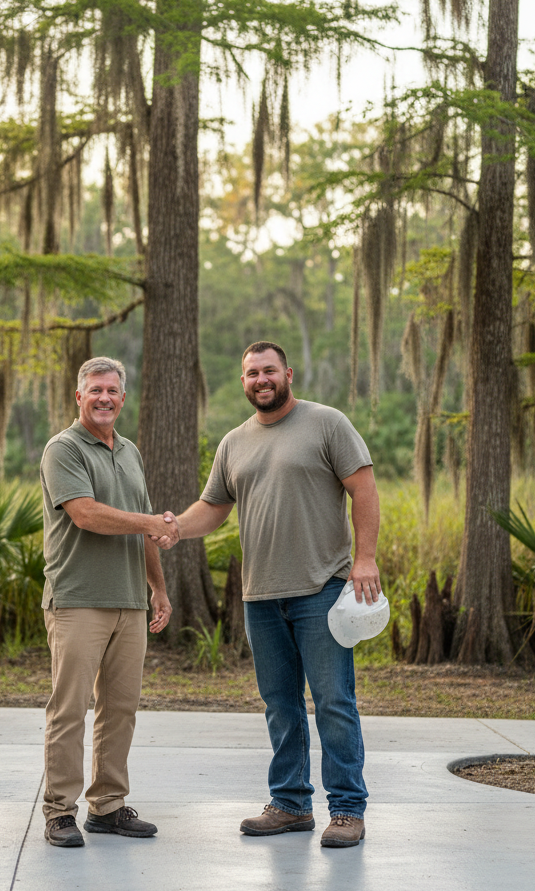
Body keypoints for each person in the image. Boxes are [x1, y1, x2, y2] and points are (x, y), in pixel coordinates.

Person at [154, 342, 380, 848]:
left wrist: (364, 559)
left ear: (288, 374)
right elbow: (212, 507)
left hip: (322, 588)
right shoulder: (234, 443)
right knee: (279, 704)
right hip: (260, 596)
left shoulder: (327, 423)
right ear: (243, 381)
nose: (261, 379)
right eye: (252, 373)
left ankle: (346, 809)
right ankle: (290, 805)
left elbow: (363, 488)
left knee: (333, 702)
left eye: (269, 370)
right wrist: (172, 529)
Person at [39, 356, 175, 848]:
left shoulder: (131, 452)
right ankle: (59, 811)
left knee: (121, 708)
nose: (103, 398)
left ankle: (109, 806)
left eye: (112, 390)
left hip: (129, 602)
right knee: (69, 709)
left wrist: (157, 589)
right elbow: (86, 515)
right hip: (77, 601)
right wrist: (150, 523)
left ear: (122, 397)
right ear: (79, 397)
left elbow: (140, 529)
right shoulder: (64, 449)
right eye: (94, 390)